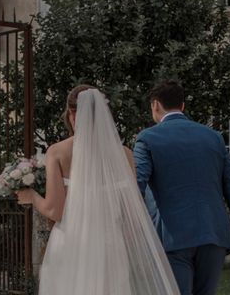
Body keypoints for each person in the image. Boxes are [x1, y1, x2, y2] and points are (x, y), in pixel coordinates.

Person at [16, 85, 179, 295]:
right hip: (112, 248)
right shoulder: (126, 155)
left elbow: (54, 210)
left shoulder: (57, 153)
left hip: (72, 246)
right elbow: (130, 211)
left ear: (73, 115)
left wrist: (32, 196)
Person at [134, 80, 230, 295]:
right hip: (213, 236)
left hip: (172, 237)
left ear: (155, 105)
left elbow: (136, 186)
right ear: (182, 106)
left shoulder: (148, 138)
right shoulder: (214, 138)